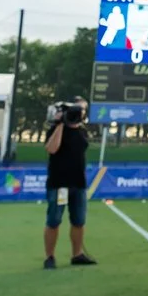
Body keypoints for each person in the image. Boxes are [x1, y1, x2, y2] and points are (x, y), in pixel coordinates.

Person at [41, 99, 95, 269]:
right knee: (54, 220)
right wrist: (60, 125)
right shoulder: (55, 130)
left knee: (79, 221)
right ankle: (49, 256)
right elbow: (51, 149)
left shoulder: (82, 132)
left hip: (78, 183)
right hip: (60, 184)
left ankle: (77, 254)